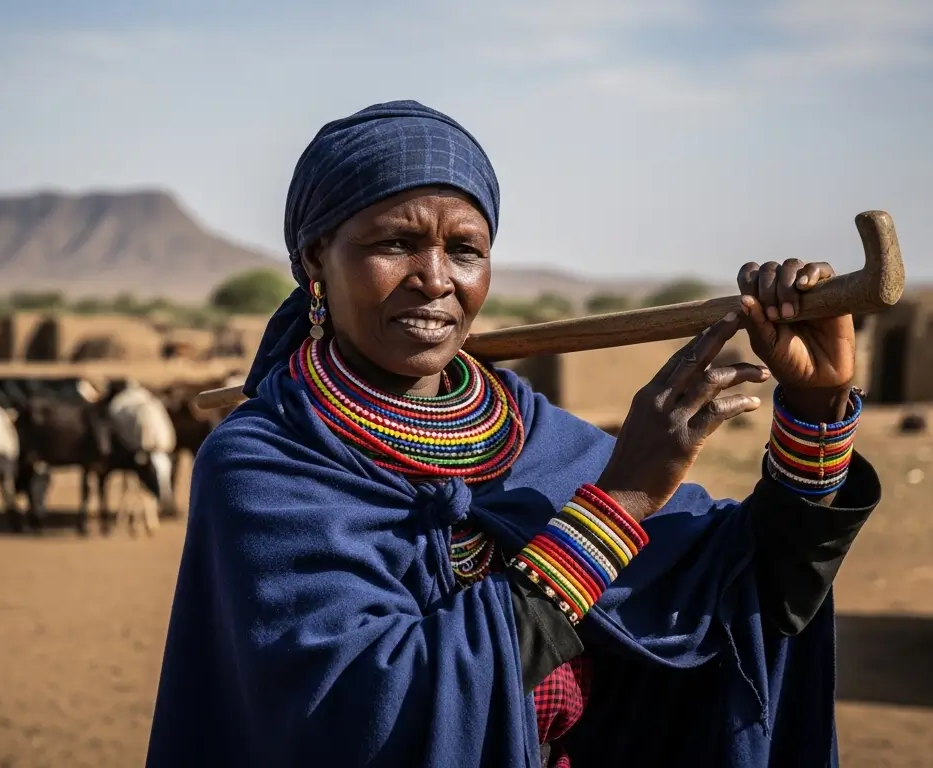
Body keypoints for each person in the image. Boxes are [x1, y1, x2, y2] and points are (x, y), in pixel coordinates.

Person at [146, 101, 880, 767]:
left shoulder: (528, 434)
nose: (434, 279)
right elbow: (375, 713)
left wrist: (816, 407)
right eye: (396, 244)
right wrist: (617, 505)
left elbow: (755, 596)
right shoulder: (264, 464)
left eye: (464, 251)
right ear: (314, 259)